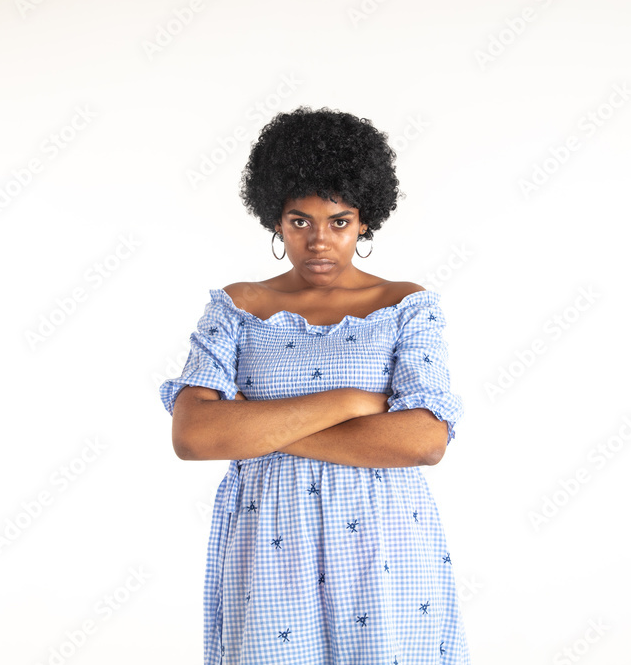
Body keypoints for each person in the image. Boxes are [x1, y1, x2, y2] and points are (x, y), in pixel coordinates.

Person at [160, 106, 470, 664]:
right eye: (300, 221)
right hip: (269, 537)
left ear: (366, 220)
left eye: (339, 221)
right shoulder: (237, 307)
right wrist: (349, 403)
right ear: (274, 220)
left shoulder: (405, 306)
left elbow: (423, 441)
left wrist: (254, 424)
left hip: (385, 543)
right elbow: (194, 435)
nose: (319, 241)